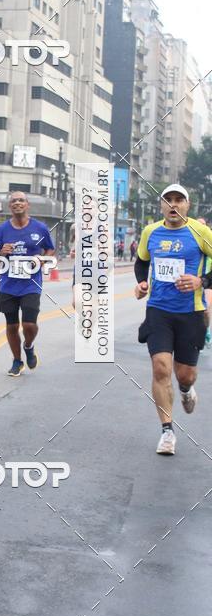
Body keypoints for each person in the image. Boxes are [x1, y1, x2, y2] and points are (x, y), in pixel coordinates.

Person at [134, 185, 212, 454]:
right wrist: (142, 282)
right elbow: (141, 261)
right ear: (161, 206)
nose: (174, 205)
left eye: (179, 200)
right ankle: (167, 432)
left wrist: (201, 280)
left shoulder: (200, 233)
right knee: (160, 368)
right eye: (168, 200)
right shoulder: (150, 232)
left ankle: (187, 388)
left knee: (184, 373)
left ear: (188, 206)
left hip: (191, 313)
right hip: (159, 310)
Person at [0, 192, 55, 375]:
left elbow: (50, 248)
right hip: (8, 284)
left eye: (21, 200)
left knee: (29, 325)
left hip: (31, 284)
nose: (17, 203)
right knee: (11, 326)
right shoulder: (2, 230)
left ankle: (28, 345)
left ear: (27, 205)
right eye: (13, 201)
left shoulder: (40, 228)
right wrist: (1, 252)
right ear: (10, 206)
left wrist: (42, 259)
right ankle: (17, 361)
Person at [196, 218, 212, 348]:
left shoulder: (208, 241)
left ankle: (206, 330)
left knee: (206, 310)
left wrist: (207, 279)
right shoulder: (189, 240)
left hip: (207, 282)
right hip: (192, 282)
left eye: (203, 226)